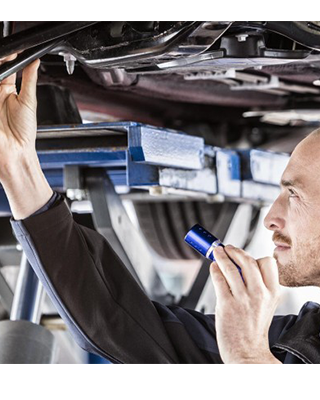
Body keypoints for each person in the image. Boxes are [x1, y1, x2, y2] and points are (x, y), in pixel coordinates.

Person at [0, 55, 320, 364]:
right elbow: (119, 322)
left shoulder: (267, 349)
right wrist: (17, 164)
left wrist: (250, 357)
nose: (270, 219)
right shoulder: (299, 341)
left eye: (293, 194)